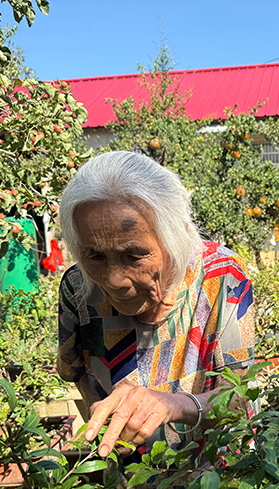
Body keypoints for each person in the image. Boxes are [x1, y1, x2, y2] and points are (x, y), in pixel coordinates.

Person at [57, 149, 255, 466]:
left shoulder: (221, 278)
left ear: (175, 234)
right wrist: (107, 423)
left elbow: (241, 398)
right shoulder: (80, 289)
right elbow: (78, 371)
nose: (114, 279)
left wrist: (172, 405)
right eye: (94, 256)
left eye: (134, 255)